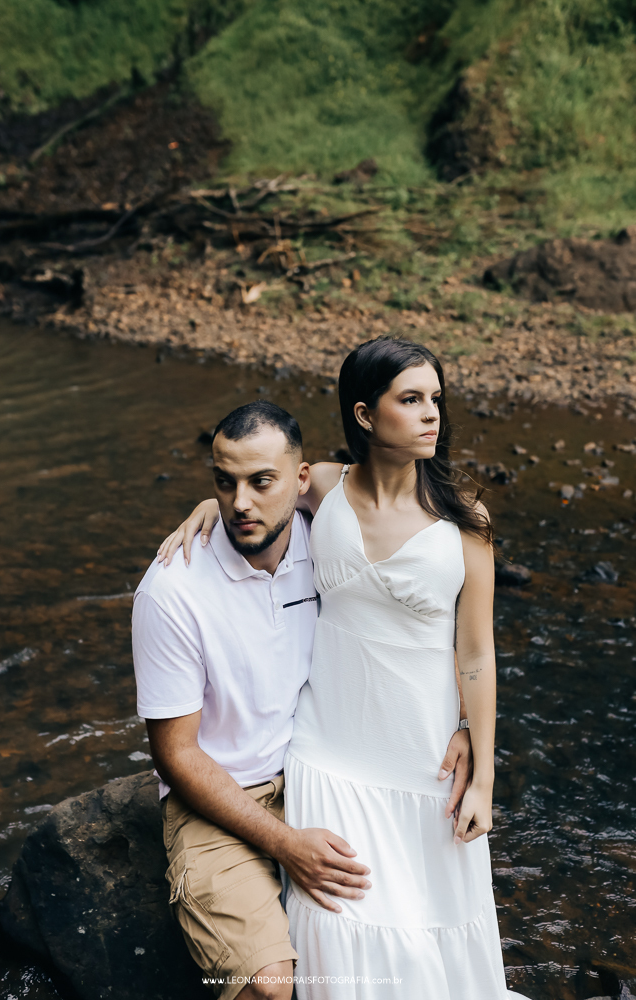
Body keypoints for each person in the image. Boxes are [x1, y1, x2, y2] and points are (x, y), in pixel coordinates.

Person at [159, 338, 528, 999]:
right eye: (410, 399)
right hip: (325, 751)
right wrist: (207, 509)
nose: (431, 414)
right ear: (364, 414)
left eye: (435, 399)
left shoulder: (465, 520)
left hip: (422, 758)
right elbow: (260, 489)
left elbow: (476, 651)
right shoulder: (326, 486)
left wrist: (483, 770)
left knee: (428, 925)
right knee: (340, 920)